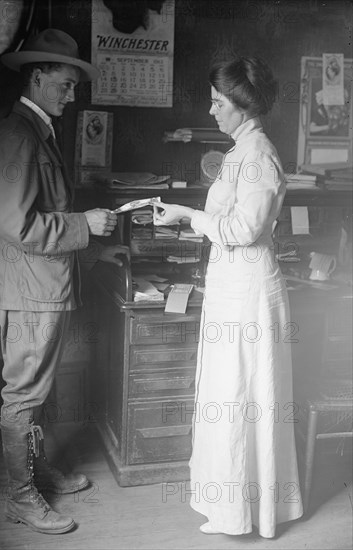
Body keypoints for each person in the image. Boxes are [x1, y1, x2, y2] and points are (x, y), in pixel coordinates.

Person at [0, 28, 128, 535]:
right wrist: (86, 225)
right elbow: (16, 225)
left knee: (36, 390)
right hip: (29, 290)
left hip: (40, 285)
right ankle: (21, 498)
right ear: (38, 78)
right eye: (65, 85)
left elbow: (43, 217)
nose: (71, 95)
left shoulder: (35, 131)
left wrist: (97, 246)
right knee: (23, 393)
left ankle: (37, 474)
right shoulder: (18, 136)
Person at [153, 57, 303, 538]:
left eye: (218, 102)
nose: (212, 110)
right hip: (232, 290)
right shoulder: (241, 150)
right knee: (228, 397)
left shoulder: (257, 154)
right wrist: (185, 214)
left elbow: (243, 229)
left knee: (241, 398)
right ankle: (231, 508)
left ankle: (248, 512)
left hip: (249, 295)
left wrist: (187, 216)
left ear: (242, 105)